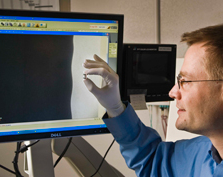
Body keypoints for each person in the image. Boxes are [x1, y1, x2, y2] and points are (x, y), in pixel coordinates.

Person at [83, 24, 223, 177]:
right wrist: (115, 108)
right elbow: (152, 160)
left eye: (186, 81)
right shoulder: (204, 153)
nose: (172, 92)